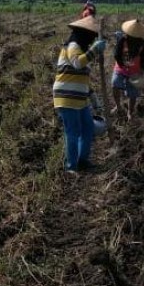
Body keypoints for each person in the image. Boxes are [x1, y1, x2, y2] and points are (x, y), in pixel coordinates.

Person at [52, 15, 107, 174]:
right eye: (91, 37)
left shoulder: (80, 49)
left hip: (79, 98)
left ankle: (83, 160)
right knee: (73, 131)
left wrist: (94, 99)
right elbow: (77, 63)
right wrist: (95, 50)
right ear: (85, 34)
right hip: (66, 96)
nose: (91, 40)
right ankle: (71, 166)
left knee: (88, 127)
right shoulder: (73, 46)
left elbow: (83, 79)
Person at [111, 19, 144, 120]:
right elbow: (117, 54)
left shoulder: (141, 43)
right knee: (115, 84)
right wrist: (122, 65)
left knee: (133, 93)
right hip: (121, 68)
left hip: (135, 71)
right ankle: (118, 106)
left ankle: (130, 112)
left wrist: (142, 69)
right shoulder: (123, 40)